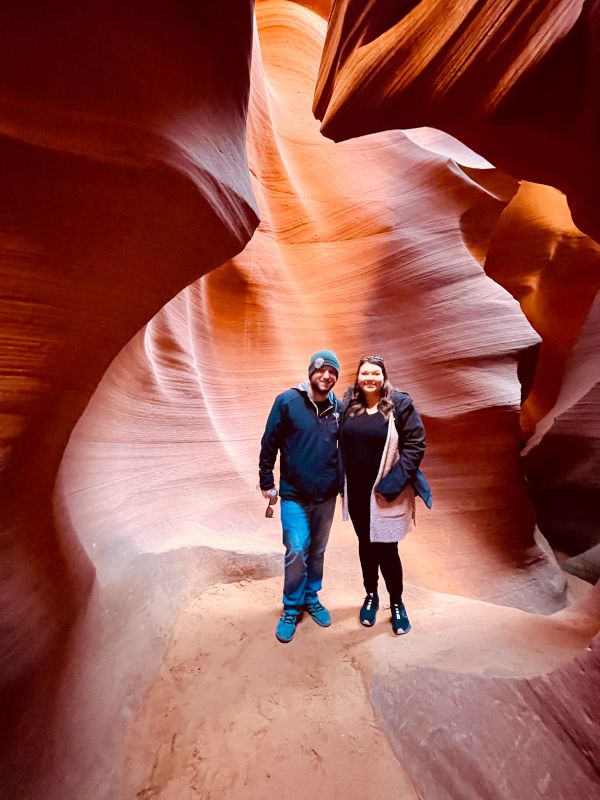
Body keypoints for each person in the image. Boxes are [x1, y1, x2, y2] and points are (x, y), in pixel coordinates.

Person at [340, 356, 431, 634]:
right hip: (355, 492)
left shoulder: (400, 404)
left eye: (375, 373)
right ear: (358, 378)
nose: (370, 378)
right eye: (365, 373)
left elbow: (416, 445)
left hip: (385, 492)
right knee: (366, 545)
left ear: (383, 377)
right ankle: (370, 594)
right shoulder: (349, 405)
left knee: (387, 549)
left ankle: (397, 603)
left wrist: (392, 484)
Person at [259, 350, 342, 643]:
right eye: (322, 370)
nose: (327, 376)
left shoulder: (338, 409)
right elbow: (269, 442)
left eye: (333, 372)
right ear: (311, 372)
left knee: (317, 551)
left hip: (326, 497)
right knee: (296, 549)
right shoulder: (288, 401)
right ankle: (291, 607)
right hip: (294, 495)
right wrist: (266, 480)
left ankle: (311, 596)